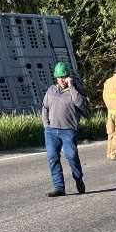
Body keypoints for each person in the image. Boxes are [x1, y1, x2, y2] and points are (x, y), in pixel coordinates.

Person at [41, 62, 89, 196]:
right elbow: (44, 107)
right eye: (59, 77)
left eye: (65, 76)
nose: (62, 79)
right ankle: (59, 187)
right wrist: (46, 124)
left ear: (69, 76)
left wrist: (72, 86)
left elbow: (80, 104)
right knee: (52, 157)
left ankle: (78, 178)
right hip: (51, 131)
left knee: (72, 156)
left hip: (69, 130)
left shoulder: (76, 90)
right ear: (56, 78)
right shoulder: (51, 90)